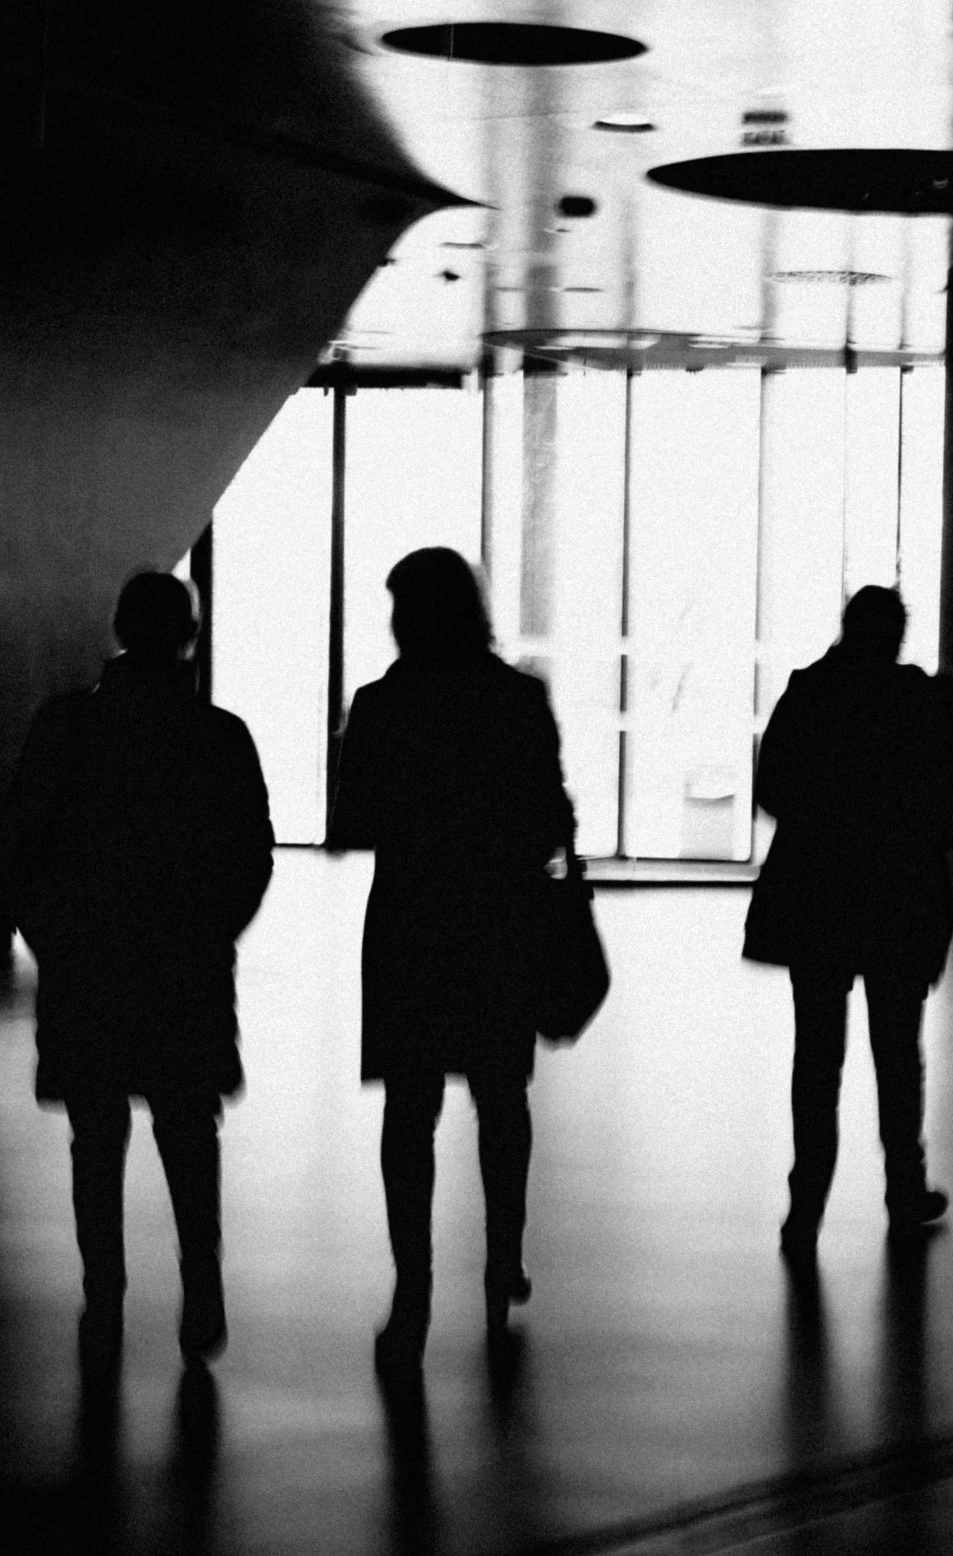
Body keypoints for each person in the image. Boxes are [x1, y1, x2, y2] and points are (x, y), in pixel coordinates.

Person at [0, 571, 275, 1367]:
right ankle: (200, 1287)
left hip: (88, 957)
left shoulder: (69, 724)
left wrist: (49, 932)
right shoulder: (219, 735)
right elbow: (250, 855)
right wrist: (212, 929)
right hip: (184, 961)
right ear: (191, 636)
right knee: (188, 1128)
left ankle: (104, 1291)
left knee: (96, 1130)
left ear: (117, 627)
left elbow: (19, 841)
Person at [327, 547, 576, 1368]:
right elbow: (550, 816)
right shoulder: (517, 698)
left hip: (410, 921)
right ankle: (502, 1257)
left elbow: (353, 819)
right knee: (502, 1099)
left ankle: (414, 1284)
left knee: (410, 1107)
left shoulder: (380, 704)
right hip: (498, 919)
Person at [745, 586, 953, 1259]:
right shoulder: (920, 703)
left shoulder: (811, 692)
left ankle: (805, 1206)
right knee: (897, 1054)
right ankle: (904, 1189)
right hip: (899, 898)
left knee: (817, 1055)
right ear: (897, 635)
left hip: (818, 896)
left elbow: (772, 791)